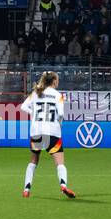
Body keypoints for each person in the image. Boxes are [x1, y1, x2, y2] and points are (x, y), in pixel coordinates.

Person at [20, 70, 76, 199]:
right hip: (52, 132)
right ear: (54, 81)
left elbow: (23, 107)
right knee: (60, 163)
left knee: (33, 161)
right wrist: (59, 124)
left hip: (36, 132)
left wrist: (34, 114)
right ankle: (63, 186)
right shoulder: (58, 95)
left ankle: (26, 189)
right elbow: (61, 114)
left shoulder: (36, 93)